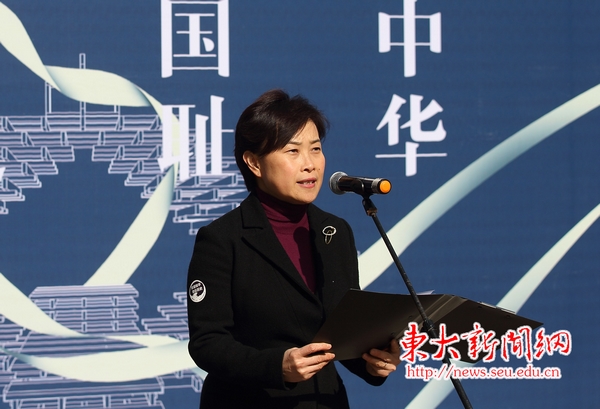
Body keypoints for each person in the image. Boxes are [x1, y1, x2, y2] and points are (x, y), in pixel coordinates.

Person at [187, 89, 400, 409]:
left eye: (315, 149)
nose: (310, 164)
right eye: (293, 151)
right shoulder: (222, 239)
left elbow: (340, 334)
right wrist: (278, 366)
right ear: (254, 163)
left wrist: (372, 362)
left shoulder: (335, 232)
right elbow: (207, 343)